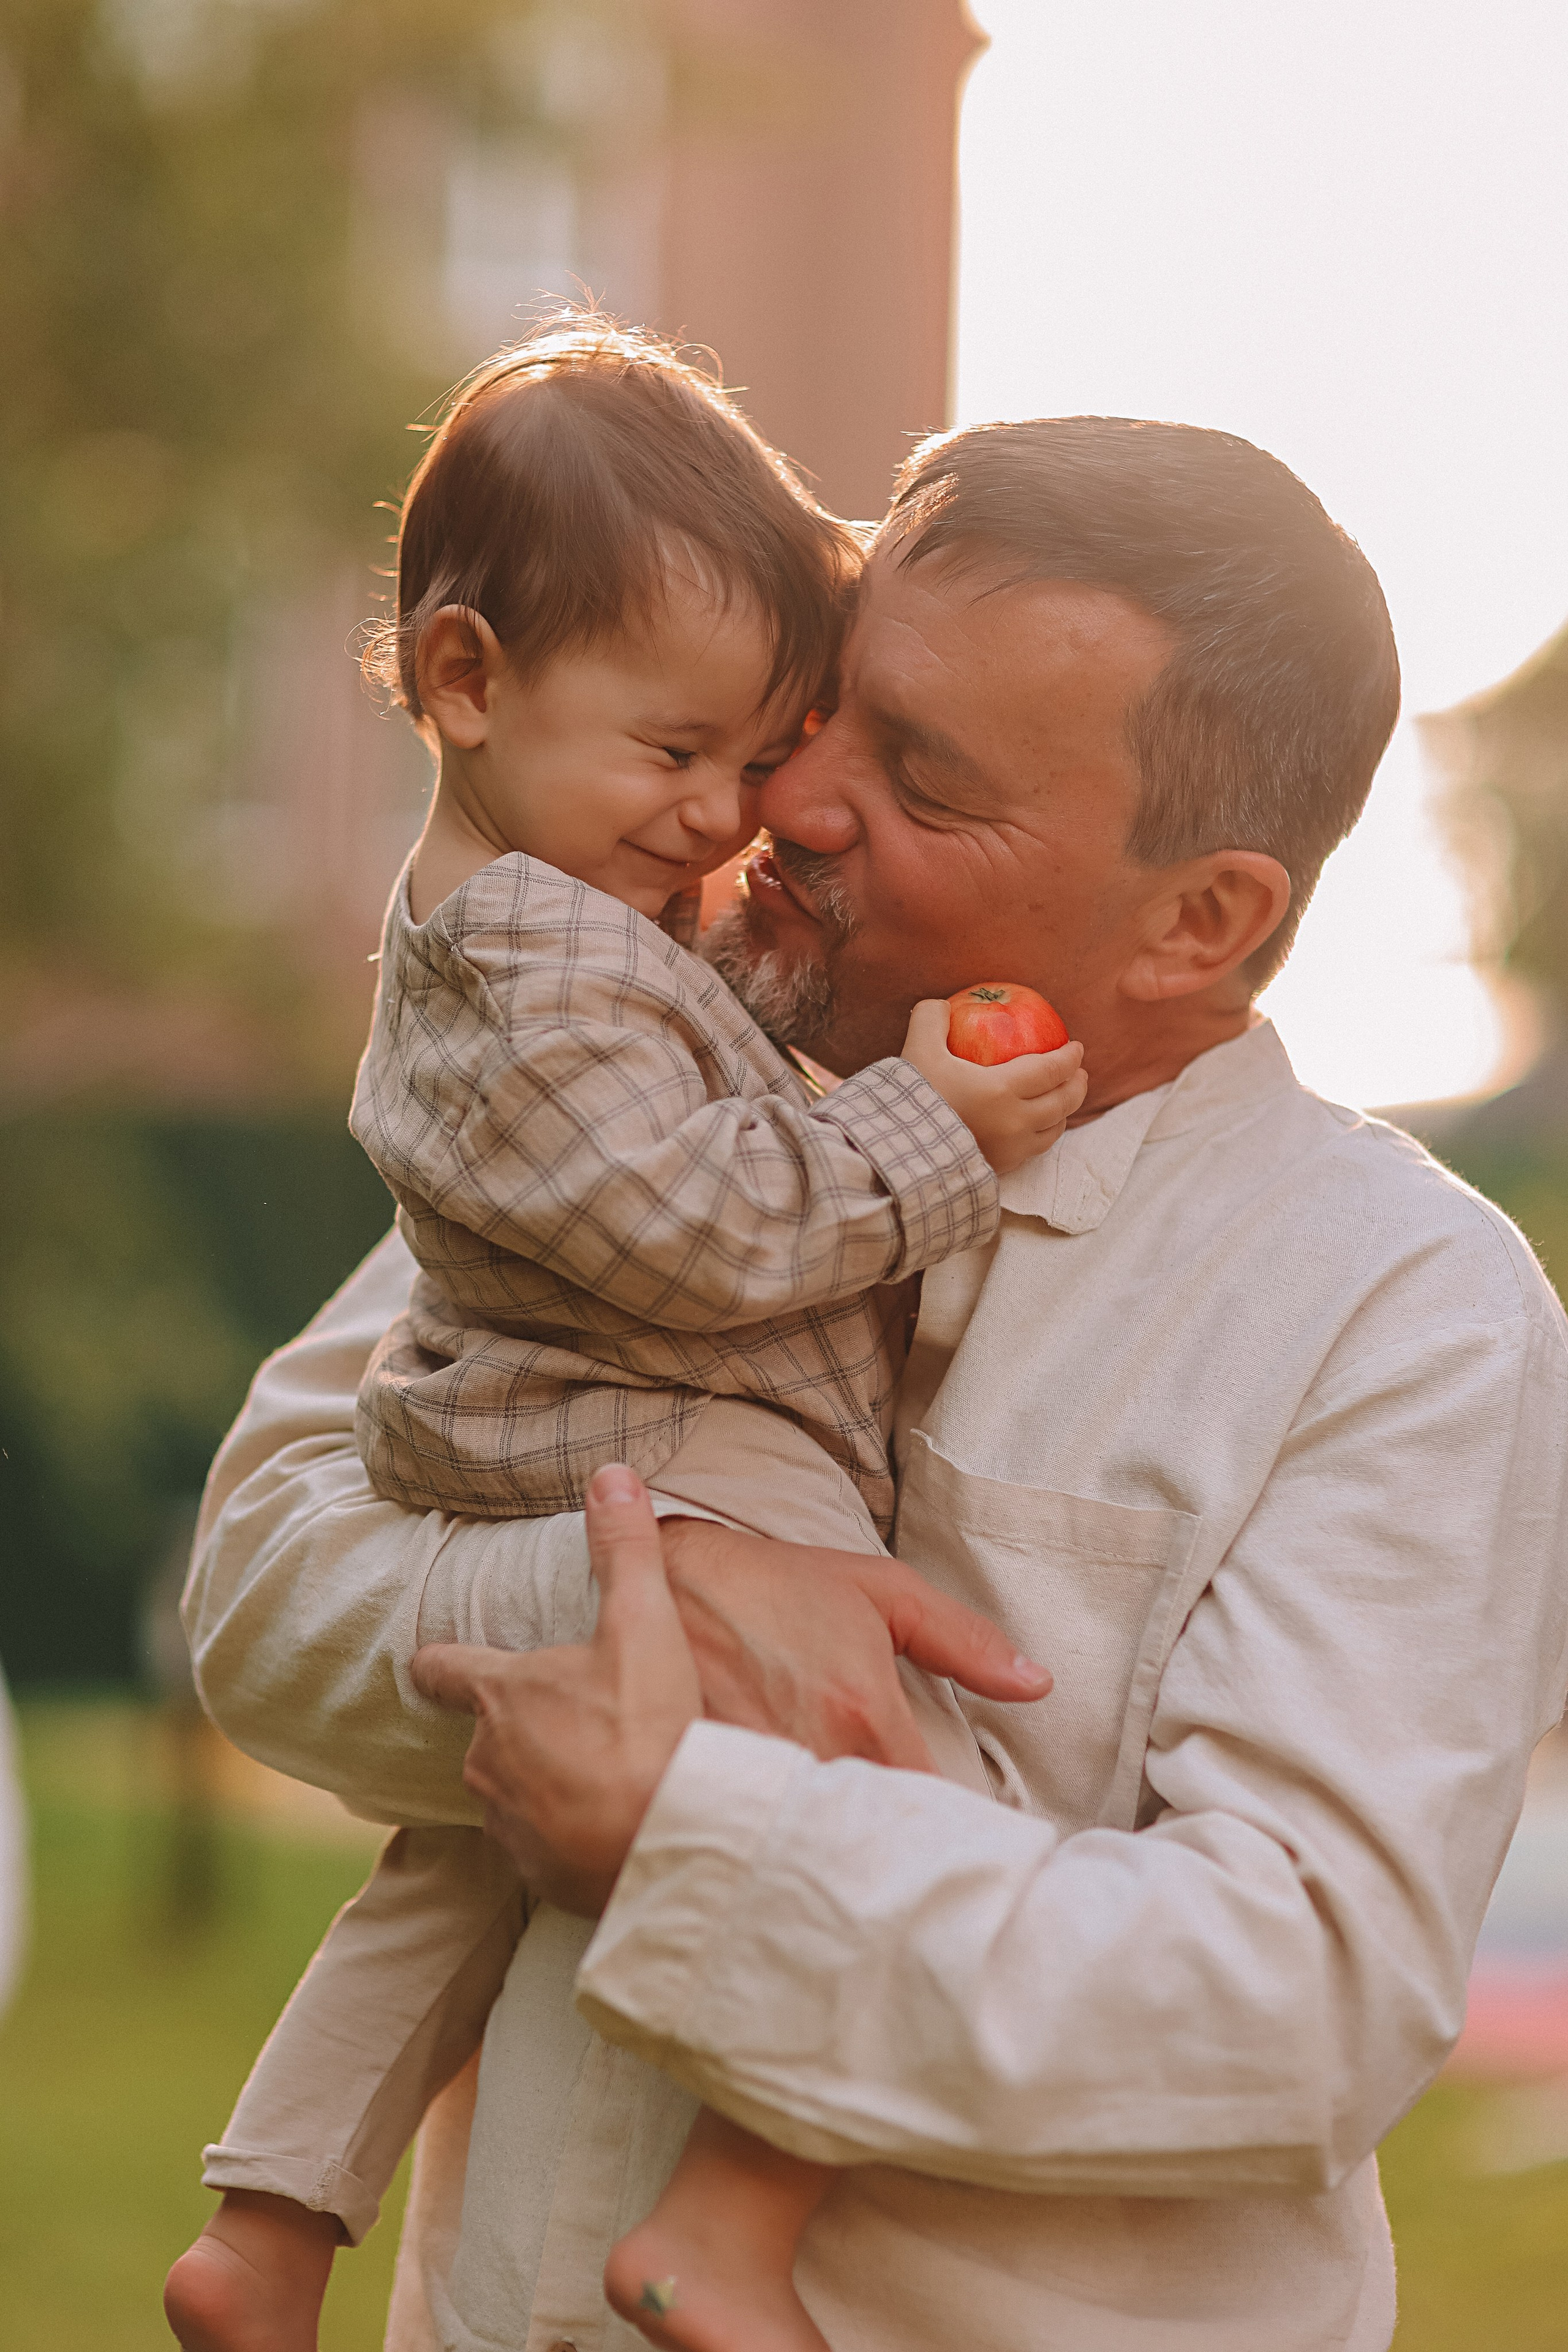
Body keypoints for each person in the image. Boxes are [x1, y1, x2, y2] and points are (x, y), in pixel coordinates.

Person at [181, 414, 1568, 2352]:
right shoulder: (624, 1094)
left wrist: (697, 1830)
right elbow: (254, 1589)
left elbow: (1296, 2006)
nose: (791, 797)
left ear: (1205, 919)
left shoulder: (1404, 1309)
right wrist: (643, 1591)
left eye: (915, 775)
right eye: (820, 713)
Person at [164, 321, 1082, 2352]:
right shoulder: (527, 946)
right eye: (679, 759)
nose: (726, 815)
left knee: (462, 1854)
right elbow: (700, 1222)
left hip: (554, 1422)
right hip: (666, 1430)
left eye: (758, 761)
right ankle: (739, 2217)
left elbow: (672, 1080)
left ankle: (271, 2218)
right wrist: (931, 1128)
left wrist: (748, 956)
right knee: (878, 1770)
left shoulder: (555, 907)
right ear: (467, 680)